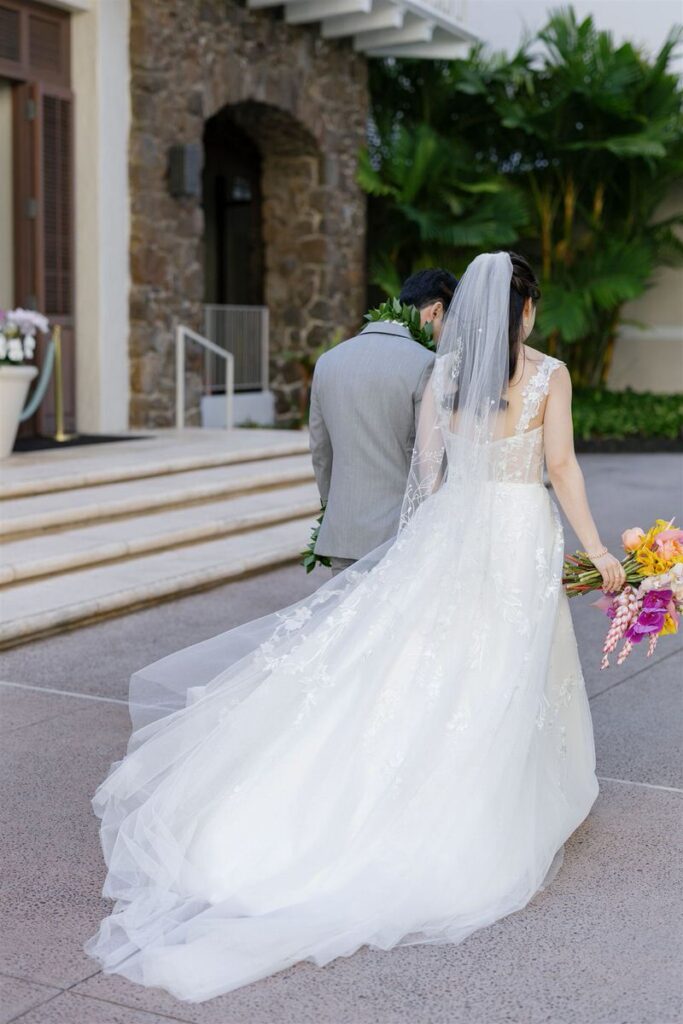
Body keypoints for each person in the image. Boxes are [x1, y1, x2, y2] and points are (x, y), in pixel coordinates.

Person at [85, 252, 625, 1003]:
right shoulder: (547, 375)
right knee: (503, 664)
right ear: (525, 309)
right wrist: (597, 550)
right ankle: (485, 800)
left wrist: (426, 546)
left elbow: (427, 474)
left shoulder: (445, 373)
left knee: (426, 661)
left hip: (453, 528)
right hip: (514, 533)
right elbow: (560, 466)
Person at [309, 268, 457, 574]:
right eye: (449, 324)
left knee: (343, 622)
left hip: (343, 534)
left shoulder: (328, 362)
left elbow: (321, 454)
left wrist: (336, 508)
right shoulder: (426, 365)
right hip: (398, 539)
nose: (447, 336)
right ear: (436, 310)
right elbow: (427, 460)